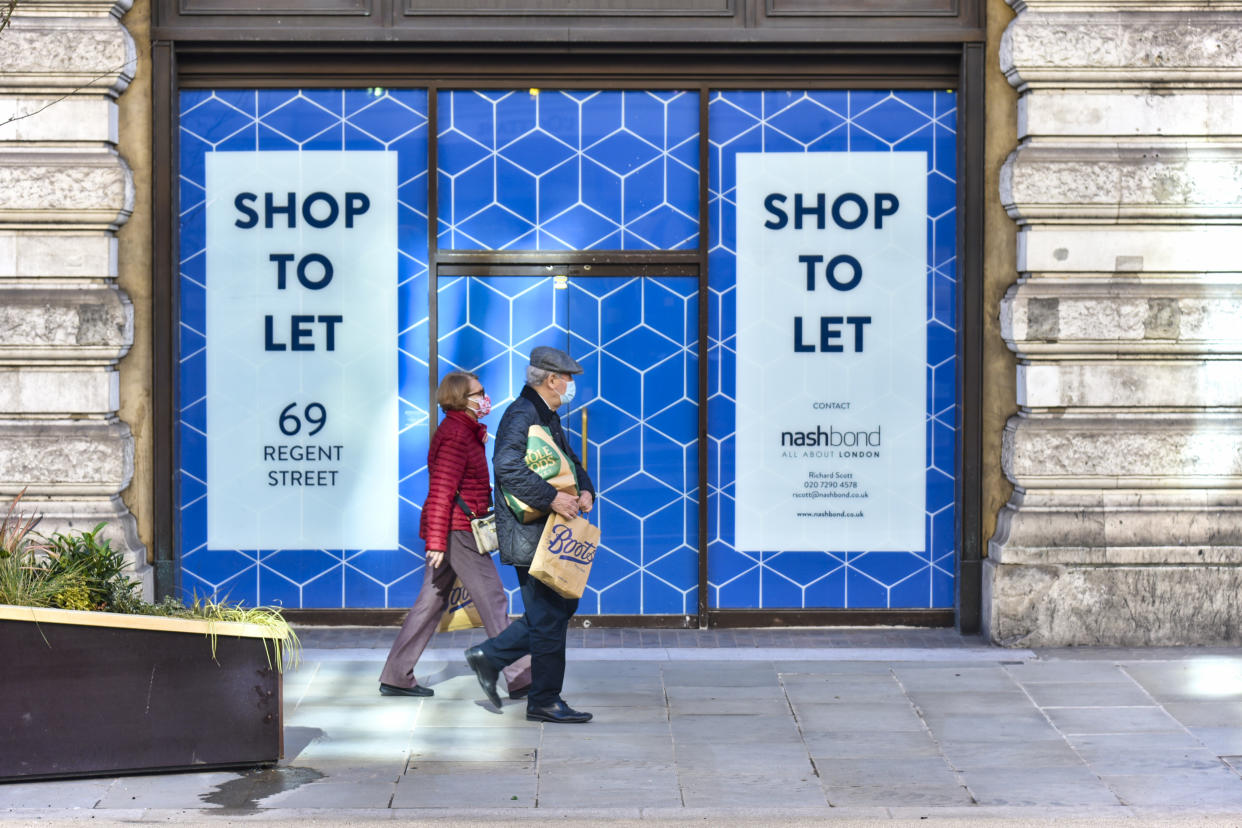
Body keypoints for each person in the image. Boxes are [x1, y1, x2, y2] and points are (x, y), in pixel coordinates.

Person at [378, 370, 530, 699]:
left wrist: (480, 435)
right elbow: (442, 491)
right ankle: (520, 675)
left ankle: (395, 675)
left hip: (457, 527)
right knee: (493, 598)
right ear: (461, 399)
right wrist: (435, 542)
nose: (484, 397)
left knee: (430, 602)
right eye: (478, 393)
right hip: (459, 531)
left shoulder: (464, 431)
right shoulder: (455, 435)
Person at [464, 346, 596, 723]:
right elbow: (506, 467)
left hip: (547, 532)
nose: (571, 385)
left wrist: (585, 489)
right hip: (530, 533)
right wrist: (553, 498)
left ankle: (490, 657)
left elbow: (570, 460)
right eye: (568, 378)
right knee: (550, 615)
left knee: (556, 610)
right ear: (551, 380)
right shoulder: (521, 415)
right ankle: (544, 700)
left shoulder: (545, 414)